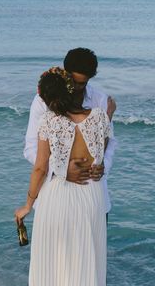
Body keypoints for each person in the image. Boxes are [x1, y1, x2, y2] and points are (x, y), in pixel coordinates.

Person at [15, 67, 112, 286]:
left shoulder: (48, 121)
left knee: (54, 261)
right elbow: (103, 146)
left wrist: (28, 204)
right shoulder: (100, 116)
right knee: (87, 259)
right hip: (92, 194)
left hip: (58, 197)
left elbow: (40, 168)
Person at [23, 48, 118, 215]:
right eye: (73, 81)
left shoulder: (100, 100)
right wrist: (61, 169)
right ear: (65, 74)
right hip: (57, 193)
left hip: (93, 195)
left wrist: (103, 165)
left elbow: (109, 141)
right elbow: (31, 148)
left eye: (82, 83)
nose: (76, 88)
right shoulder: (43, 101)